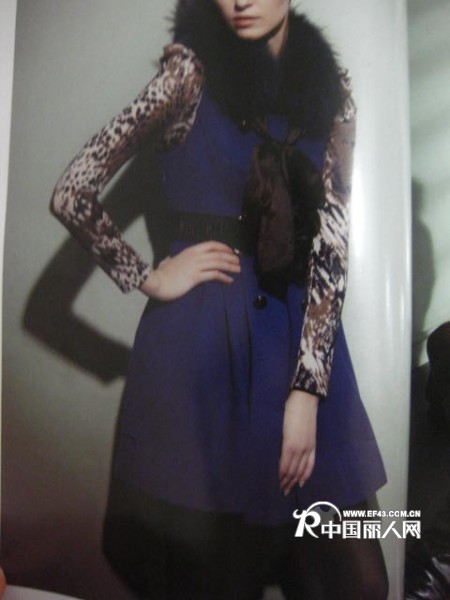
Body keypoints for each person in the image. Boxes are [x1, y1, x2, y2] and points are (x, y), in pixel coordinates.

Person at [50, 0, 389, 597]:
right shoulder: (187, 74)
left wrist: (307, 392)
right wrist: (149, 276)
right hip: (206, 353)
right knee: (219, 582)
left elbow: (331, 246)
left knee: (359, 584)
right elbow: (73, 190)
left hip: (302, 344)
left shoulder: (333, 89)